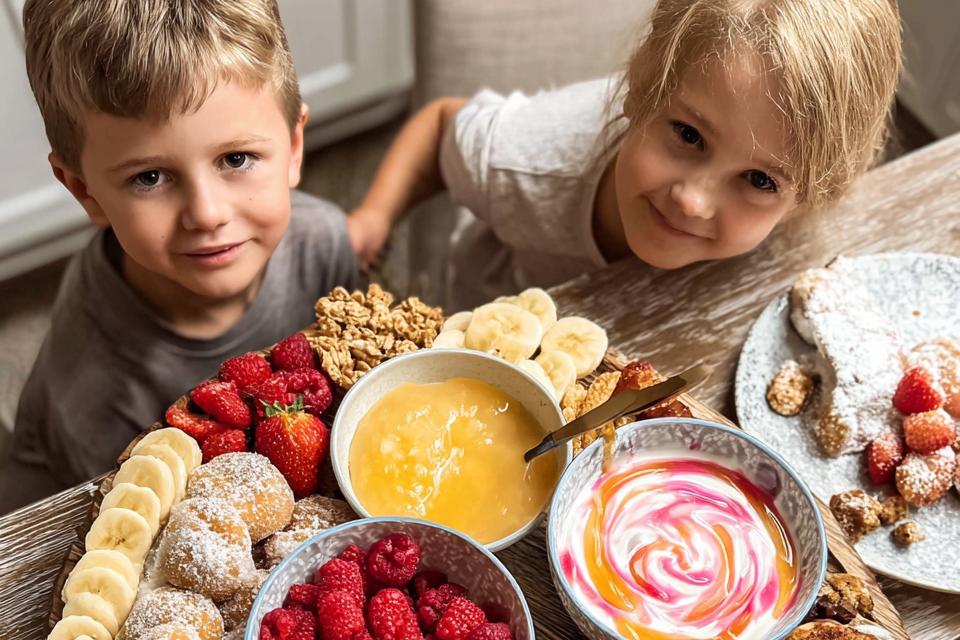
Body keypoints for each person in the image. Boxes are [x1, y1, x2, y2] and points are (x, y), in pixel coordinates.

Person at [1, 0, 358, 510]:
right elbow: (122, 530)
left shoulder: (324, 243)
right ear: (85, 192)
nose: (207, 213)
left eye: (236, 159)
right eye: (149, 177)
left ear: (294, 147)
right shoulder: (95, 386)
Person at [347, 0, 902, 311]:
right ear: (640, 87)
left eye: (757, 179)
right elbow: (442, 121)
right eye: (688, 136)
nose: (692, 200)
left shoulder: (799, 196)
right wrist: (375, 214)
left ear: (811, 191)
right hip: (494, 304)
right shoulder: (517, 164)